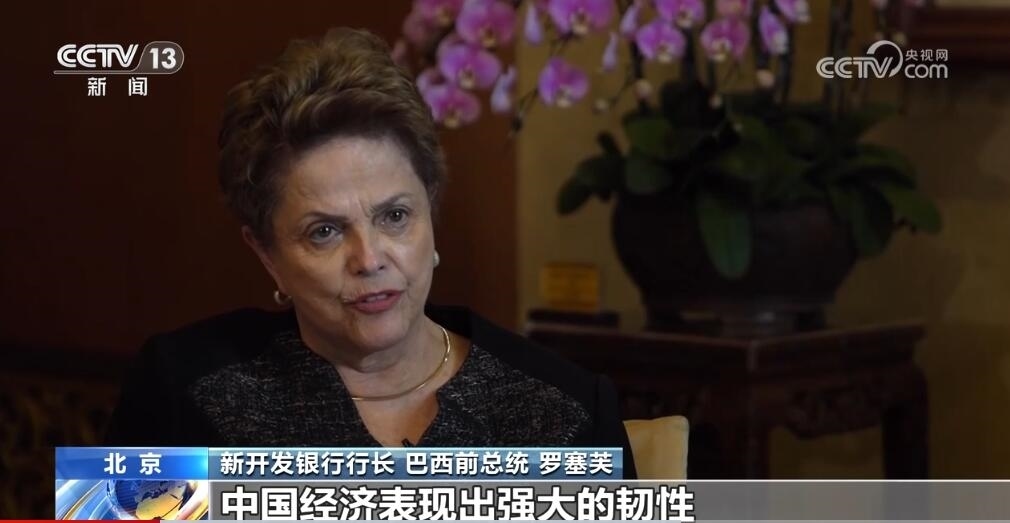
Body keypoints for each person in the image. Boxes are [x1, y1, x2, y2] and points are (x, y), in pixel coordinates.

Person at [105, 27, 636, 477]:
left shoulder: (565, 411)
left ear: (430, 213)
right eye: (324, 232)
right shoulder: (182, 392)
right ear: (267, 254)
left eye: (395, 217)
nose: (369, 259)